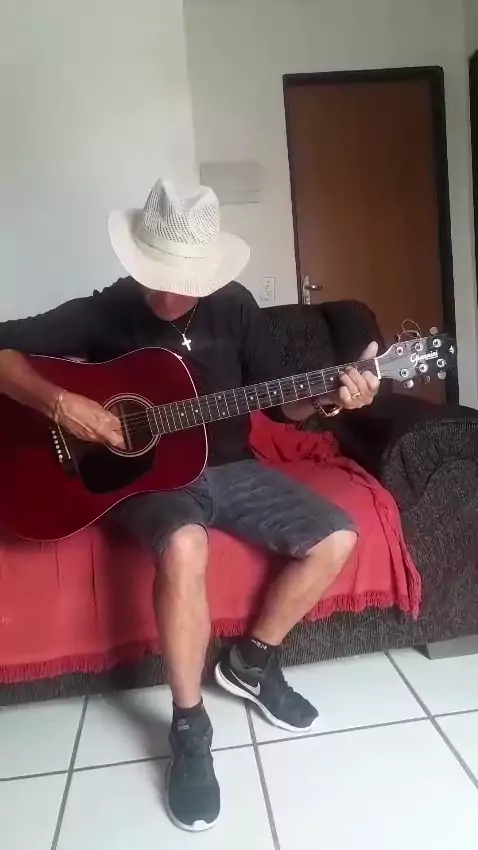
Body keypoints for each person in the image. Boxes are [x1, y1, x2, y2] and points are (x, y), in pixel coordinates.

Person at [0, 179, 379, 831]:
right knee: (183, 544)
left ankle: (252, 664)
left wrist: (328, 398)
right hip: (149, 480)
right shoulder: (107, 310)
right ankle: (190, 726)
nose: (168, 293)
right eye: (158, 275)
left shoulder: (235, 308)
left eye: (183, 281)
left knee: (338, 536)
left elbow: (277, 405)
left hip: (231, 467)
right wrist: (63, 404)